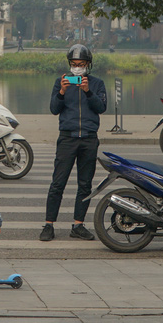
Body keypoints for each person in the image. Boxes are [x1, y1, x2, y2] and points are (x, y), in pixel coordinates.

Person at [40, 43, 107, 242]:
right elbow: (54, 109)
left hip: (88, 138)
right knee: (57, 183)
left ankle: (78, 225)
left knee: (85, 184)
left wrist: (87, 91)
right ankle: (48, 225)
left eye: (81, 64)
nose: (77, 67)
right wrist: (61, 91)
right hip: (67, 138)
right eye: (74, 64)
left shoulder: (97, 84)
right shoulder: (60, 82)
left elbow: (101, 107)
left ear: (88, 64)